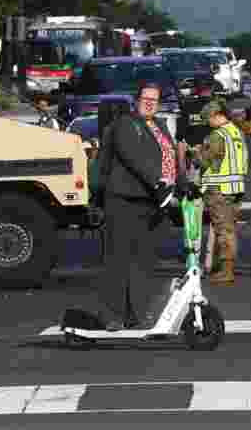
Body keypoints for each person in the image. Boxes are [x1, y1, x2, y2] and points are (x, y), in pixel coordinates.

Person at [95, 81, 185, 331]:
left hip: (151, 203)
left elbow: (170, 158)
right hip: (124, 200)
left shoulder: (159, 126)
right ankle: (112, 316)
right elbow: (133, 157)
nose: (149, 103)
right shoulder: (125, 124)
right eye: (145, 98)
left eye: (154, 100)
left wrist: (183, 183)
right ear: (137, 100)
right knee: (118, 260)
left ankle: (135, 313)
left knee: (142, 262)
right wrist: (158, 183)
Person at [181, 98, 249, 286]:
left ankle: (226, 271)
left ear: (215, 116)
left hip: (219, 189)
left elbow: (206, 162)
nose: (207, 124)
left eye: (208, 119)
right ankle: (224, 267)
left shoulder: (217, 135)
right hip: (236, 187)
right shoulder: (236, 132)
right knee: (230, 229)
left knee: (223, 230)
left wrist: (194, 153)